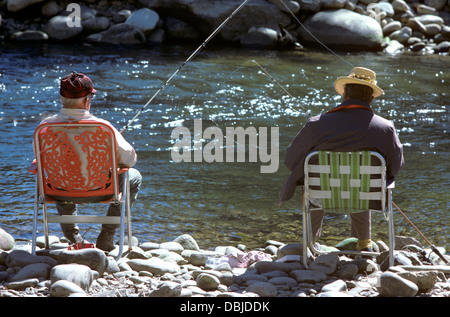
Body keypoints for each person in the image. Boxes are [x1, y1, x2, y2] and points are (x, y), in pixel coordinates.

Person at [279, 67, 404, 252]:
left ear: (344, 93)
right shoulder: (386, 128)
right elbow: (395, 168)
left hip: (321, 195)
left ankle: (309, 244)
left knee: (313, 180)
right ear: (371, 98)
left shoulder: (316, 123)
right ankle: (363, 243)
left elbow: (291, 161)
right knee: (361, 181)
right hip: (365, 196)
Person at [34, 71, 142, 252]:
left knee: (58, 174)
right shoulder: (104, 127)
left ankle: (72, 235)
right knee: (135, 176)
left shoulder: (44, 128)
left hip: (60, 191)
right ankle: (107, 235)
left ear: (61, 98)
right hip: (101, 191)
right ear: (87, 100)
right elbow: (130, 160)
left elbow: (39, 157)